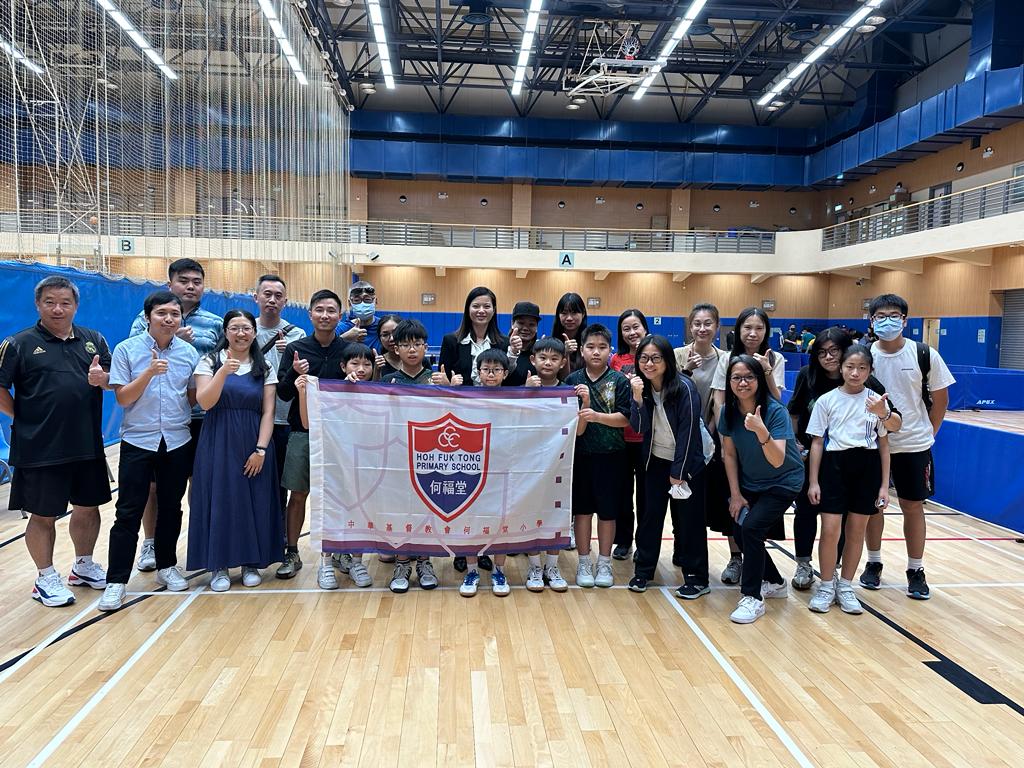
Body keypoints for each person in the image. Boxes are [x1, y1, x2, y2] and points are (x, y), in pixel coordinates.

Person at [0, 276, 112, 606]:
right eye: (50, 302)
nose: (58, 309)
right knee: (43, 514)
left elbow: (111, 381)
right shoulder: (18, 344)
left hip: (87, 443)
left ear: (76, 306)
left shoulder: (94, 340)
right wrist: (22, 417)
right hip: (39, 447)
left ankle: (83, 566)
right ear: (38, 305)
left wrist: (103, 379)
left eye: (65, 303)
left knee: (88, 508)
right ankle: (45, 576)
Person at [99, 291, 200, 611]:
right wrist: (149, 373)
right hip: (138, 441)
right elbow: (123, 398)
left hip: (177, 439)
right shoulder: (126, 349)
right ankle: (116, 581)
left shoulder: (188, 352)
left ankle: (167, 565)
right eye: (161, 313)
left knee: (171, 507)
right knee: (128, 511)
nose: (169, 319)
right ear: (147, 317)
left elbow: (192, 397)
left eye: (174, 314)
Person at [128, 258, 221, 573]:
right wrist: (172, 340)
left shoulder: (215, 323)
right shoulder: (143, 321)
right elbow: (135, 360)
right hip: (158, 420)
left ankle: (199, 538)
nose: (190, 286)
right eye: (184, 280)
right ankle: (150, 542)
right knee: (154, 487)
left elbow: (219, 365)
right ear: (170, 284)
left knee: (199, 481)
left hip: (201, 417)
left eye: (197, 281)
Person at [861, 294, 954, 599]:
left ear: (904, 320)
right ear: (872, 321)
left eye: (894, 315)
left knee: (912, 506)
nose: (887, 321)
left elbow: (941, 400)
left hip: (913, 445)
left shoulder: (924, 354)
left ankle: (916, 569)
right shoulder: (863, 355)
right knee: (873, 507)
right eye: (881, 316)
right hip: (871, 445)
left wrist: (928, 433)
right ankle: (873, 563)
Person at [787, 327, 895, 590]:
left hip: (854, 462)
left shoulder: (868, 385)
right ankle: (804, 563)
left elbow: (889, 426)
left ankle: (834, 569)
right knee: (806, 510)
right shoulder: (808, 376)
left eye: (834, 350)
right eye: (822, 352)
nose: (828, 357)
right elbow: (795, 412)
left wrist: (883, 414)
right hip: (812, 457)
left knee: (845, 518)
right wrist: (796, 445)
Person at [187, 310, 282, 592]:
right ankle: (219, 565)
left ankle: (250, 563)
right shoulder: (209, 361)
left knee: (254, 500)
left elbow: (269, 412)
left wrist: (261, 450)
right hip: (218, 438)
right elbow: (205, 403)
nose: (241, 333)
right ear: (225, 332)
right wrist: (222, 373)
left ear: (254, 332)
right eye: (235, 328)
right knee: (221, 499)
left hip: (253, 439)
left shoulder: (264, 366)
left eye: (246, 328)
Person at [806, 346, 902, 614]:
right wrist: (813, 481)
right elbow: (817, 443)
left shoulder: (877, 401)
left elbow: (885, 444)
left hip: (867, 467)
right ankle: (826, 585)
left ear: (870, 371)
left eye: (862, 368)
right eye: (850, 366)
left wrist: (884, 486)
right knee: (829, 530)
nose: (855, 372)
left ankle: (846, 586)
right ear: (841, 368)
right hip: (834, 466)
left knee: (856, 531)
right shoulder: (826, 400)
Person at [719, 355, 804, 625]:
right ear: (729, 381)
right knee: (739, 531)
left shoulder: (775, 411)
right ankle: (776, 582)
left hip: (784, 481)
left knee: (752, 528)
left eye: (749, 377)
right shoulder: (728, 411)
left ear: (759, 380)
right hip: (751, 482)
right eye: (736, 378)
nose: (743, 383)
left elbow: (778, 459)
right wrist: (735, 494)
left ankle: (752, 597)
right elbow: (729, 454)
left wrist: (760, 430)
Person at [275, 289, 350, 581]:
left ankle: (342, 551)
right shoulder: (297, 349)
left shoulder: (349, 350)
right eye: (319, 310)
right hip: (302, 431)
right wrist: (295, 373)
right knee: (298, 493)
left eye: (331, 311)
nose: (325, 315)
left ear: (340, 316)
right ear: (310, 314)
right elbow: (283, 394)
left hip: (341, 434)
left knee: (342, 495)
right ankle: (292, 551)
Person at [626, 335, 709, 598]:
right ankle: (643, 571)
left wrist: (678, 473)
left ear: (667, 361)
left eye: (655, 358)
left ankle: (697, 578)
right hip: (655, 461)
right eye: (644, 358)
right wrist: (637, 399)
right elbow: (639, 427)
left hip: (687, 463)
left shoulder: (685, 388)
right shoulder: (642, 387)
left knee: (689, 521)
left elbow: (689, 434)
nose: (649, 364)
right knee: (650, 517)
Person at [711, 307, 786, 584]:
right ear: (738, 330)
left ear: (766, 331)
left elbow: (776, 399)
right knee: (733, 501)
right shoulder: (727, 359)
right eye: (747, 327)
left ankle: (757, 562)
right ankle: (736, 558)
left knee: (758, 505)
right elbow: (719, 399)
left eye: (759, 328)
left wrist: (766, 370)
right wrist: (724, 437)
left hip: (763, 439)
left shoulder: (775, 359)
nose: (753, 333)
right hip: (733, 438)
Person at [297, 343, 376, 589]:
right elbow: (307, 423)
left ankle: (357, 562)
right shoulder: (328, 392)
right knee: (330, 511)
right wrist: (303, 392)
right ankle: (325, 564)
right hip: (334, 464)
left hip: (365, 465)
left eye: (367, 364)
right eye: (355, 363)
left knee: (362, 511)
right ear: (343, 366)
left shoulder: (378, 393)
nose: (361, 369)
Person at [565, 323, 631, 588]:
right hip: (580, 456)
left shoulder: (619, 381)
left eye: (602, 347)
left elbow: (625, 418)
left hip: (612, 456)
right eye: (590, 347)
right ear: (581, 350)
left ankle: (604, 562)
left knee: (607, 512)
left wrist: (596, 416)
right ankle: (583, 562)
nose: (596, 352)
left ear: (610, 350)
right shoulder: (572, 381)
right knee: (582, 512)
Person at [380, 318, 441, 593]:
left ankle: (425, 562)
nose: (412, 349)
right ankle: (402, 563)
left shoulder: (436, 379)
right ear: (396, 348)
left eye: (417, 344)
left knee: (427, 509)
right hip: (398, 457)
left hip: (430, 456)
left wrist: (450, 388)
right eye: (406, 344)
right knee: (401, 510)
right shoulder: (386, 381)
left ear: (426, 347)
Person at [674, 304, 729, 568]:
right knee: (679, 496)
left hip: (711, 436)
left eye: (708, 323)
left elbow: (721, 400)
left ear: (717, 327)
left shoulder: (725, 359)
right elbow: (670, 394)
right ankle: (680, 547)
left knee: (702, 500)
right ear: (690, 326)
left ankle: (699, 555)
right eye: (697, 323)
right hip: (680, 437)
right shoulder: (677, 355)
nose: (702, 328)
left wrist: (709, 431)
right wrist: (685, 370)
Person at [459, 349, 514, 597]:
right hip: (473, 468)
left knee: (501, 522)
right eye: (486, 370)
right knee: (471, 521)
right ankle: (472, 571)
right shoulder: (466, 398)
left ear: (505, 373)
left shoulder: (515, 399)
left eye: (496, 370)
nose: (491, 374)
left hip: (503, 469)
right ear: (478, 372)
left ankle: (498, 571)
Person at [253, 274, 306, 516]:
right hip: (253, 416)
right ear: (256, 297)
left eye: (278, 296)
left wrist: (289, 354)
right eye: (267, 294)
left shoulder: (297, 335)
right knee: (253, 477)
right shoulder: (245, 330)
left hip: (284, 418)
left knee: (281, 482)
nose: (272, 300)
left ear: (285, 301)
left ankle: (279, 531)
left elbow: (303, 376)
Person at [522, 337, 570, 592]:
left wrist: (584, 403)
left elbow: (578, 428)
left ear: (563, 362)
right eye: (543, 358)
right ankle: (534, 566)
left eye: (554, 358)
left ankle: (552, 565)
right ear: (533, 360)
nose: (548, 363)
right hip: (530, 463)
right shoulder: (523, 388)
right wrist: (525, 390)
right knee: (531, 511)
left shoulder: (569, 391)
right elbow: (514, 420)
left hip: (559, 463)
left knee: (556, 513)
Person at [609, 309, 649, 560]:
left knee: (646, 496)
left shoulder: (653, 356)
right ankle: (623, 541)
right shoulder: (616, 359)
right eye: (626, 328)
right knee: (623, 494)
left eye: (636, 327)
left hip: (647, 439)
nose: (632, 332)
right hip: (621, 438)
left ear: (645, 328)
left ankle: (644, 543)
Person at [439, 286, 509, 387]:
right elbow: (443, 378)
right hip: (460, 397)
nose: (481, 310)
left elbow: (507, 379)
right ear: (468, 309)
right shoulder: (450, 341)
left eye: (487, 306)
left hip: (494, 397)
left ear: (493, 310)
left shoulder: (504, 343)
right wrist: (449, 385)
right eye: (476, 306)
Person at [337, 280, 385, 351]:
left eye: (367, 299)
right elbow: (325, 350)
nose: (362, 304)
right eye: (357, 300)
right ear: (350, 303)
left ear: (375, 301)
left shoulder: (383, 327)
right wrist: (344, 338)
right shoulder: (341, 328)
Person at [503, 301, 542, 386]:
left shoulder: (540, 352)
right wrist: (513, 351)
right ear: (512, 323)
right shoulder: (501, 347)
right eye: (521, 323)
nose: (525, 328)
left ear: (536, 327)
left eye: (531, 324)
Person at [551, 292, 587, 377]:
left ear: (583, 314)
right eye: (564, 313)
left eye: (574, 313)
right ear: (558, 315)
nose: (569, 318)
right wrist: (565, 353)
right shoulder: (552, 343)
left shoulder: (589, 342)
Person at [374, 314, 402, 380]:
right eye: (385, 335)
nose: (391, 338)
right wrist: (377, 371)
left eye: (395, 333)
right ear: (380, 339)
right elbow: (375, 386)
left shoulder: (418, 359)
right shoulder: (378, 362)